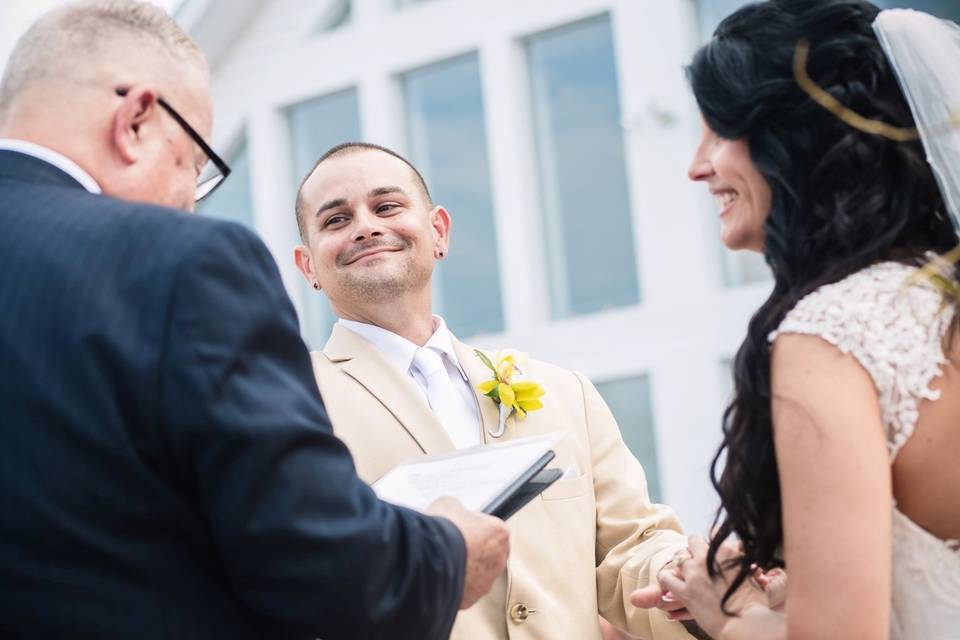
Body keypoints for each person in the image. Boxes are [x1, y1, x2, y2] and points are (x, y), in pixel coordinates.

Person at [0, 2, 510, 638]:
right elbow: (318, 561)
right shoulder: (181, 263)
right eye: (191, 163)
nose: (188, 201)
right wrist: (449, 554)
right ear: (135, 120)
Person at [631, 1, 960, 638]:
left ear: (793, 142)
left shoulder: (833, 333)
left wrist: (726, 610)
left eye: (720, 132)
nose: (697, 166)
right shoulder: (941, 293)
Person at [292, 141, 694, 640]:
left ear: (438, 232)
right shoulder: (288, 404)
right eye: (336, 220)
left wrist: (697, 580)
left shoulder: (565, 393)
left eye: (387, 206)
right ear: (307, 265)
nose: (366, 226)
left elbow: (630, 549)